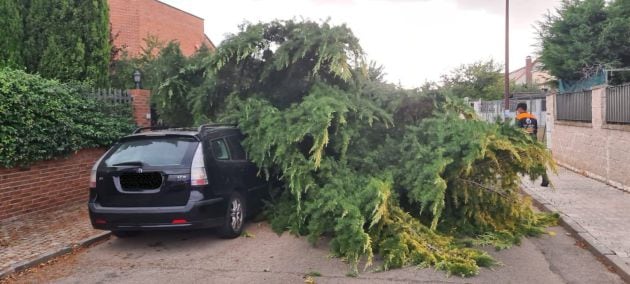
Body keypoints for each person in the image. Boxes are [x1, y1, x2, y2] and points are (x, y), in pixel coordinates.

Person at [515, 103, 549, 187]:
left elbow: (516, 132)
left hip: (523, 143)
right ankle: (545, 179)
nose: (517, 111)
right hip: (534, 143)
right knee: (537, 161)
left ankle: (511, 182)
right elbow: (536, 130)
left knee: (515, 160)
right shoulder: (533, 117)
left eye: (518, 110)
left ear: (520, 109)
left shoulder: (518, 118)